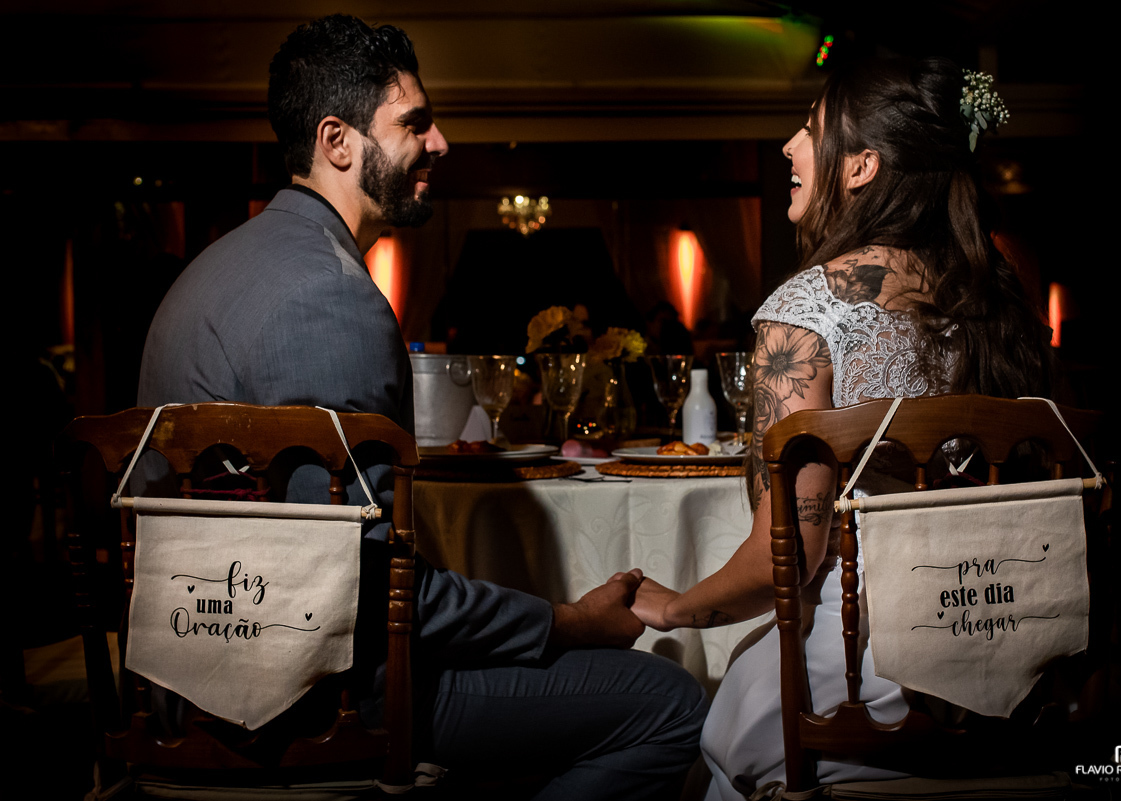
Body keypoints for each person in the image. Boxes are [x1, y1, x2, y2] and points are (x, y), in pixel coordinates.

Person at [137, 15, 705, 799]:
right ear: (338, 141)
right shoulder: (330, 300)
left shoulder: (211, 271)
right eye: (415, 122)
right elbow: (364, 586)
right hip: (313, 700)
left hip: (186, 679)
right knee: (670, 702)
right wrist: (571, 621)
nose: (439, 143)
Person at [629, 57, 1051, 798]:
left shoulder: (805, 313)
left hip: (865, 683)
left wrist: (670, 606)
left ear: (861, 167)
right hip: (1016, 668)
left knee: (723, 728)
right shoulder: (1003, 302)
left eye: (812, 130)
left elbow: (783, 560)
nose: (790, 147)